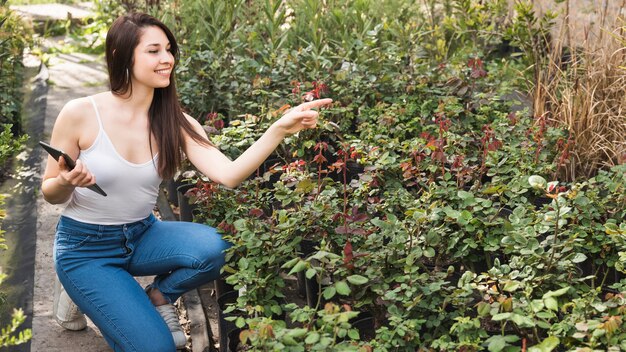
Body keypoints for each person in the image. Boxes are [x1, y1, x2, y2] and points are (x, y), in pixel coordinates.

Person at [42, 12, 332, 352]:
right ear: (123, 57)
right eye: (153, 51)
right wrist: (67, 181)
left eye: (168, 49)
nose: (167, 59)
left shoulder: (176, 121)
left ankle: (157, 295)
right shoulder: (81, 112)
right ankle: (90, 290)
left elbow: (229, 174)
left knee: (215, 248)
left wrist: (278, 129)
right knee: (157, 347)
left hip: (141, 233)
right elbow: (50, 192)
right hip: (85, 249)